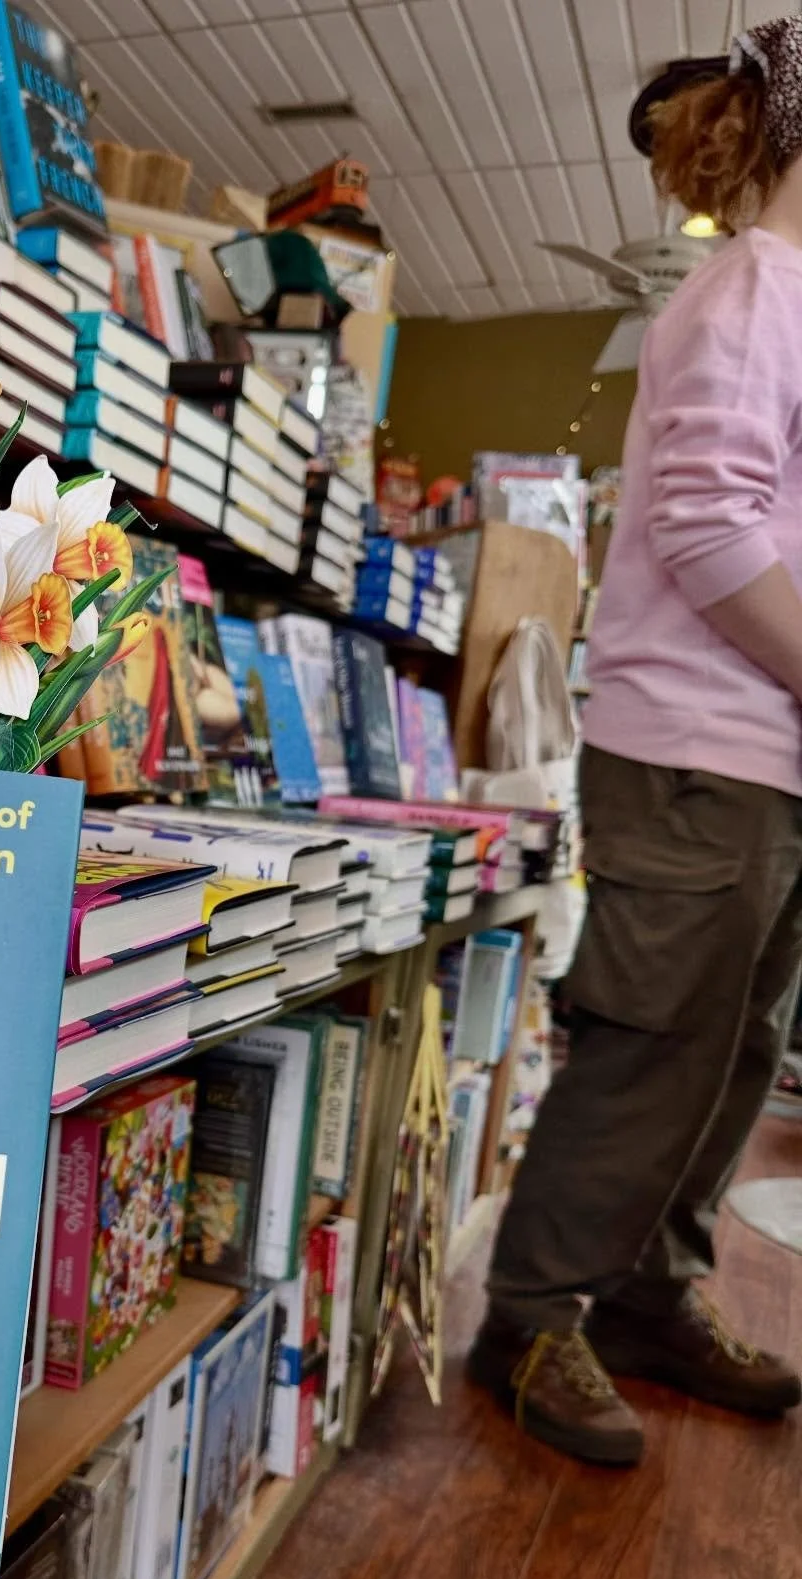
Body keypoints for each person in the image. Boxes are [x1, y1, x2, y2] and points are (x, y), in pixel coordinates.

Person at [468, 14, 802, 1466]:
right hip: (695, 749)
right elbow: (712, 524)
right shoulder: (750, 293)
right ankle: (530, 1315)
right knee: (652, 1047)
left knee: (738, 1050)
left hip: (766, 753)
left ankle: (654, 1297)